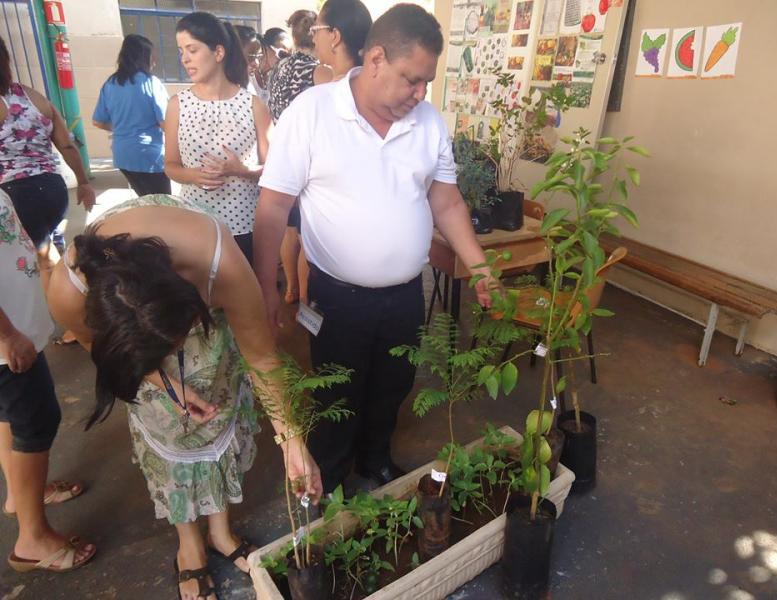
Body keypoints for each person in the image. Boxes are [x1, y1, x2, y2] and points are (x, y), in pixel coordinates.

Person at [253, 4, 493, 494]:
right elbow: (274, 207)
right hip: (336, 296)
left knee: (393, 384)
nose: (420, 94)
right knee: (335, 390)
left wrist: (481, 268)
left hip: (405, 293)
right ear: (377, 58)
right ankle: (329, 477)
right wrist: (265, 288)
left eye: (426, 82)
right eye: (412, 80)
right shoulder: (312, 113)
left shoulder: (428, 122)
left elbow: (447, 202)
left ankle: (376, 460)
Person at [46, 194, 322, 600]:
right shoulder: (69, 289)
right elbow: (97, 346)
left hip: (194, 301)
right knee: (165, 427)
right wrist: (161, 381)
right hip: (142, 355)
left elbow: (261, 358)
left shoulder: (220, 263)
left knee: (219, 402)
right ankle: (189, 544)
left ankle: (220, 533)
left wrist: (292, 442)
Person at [0, 189, 96, 573]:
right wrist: (8, 335)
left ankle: (20, 494)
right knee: (35, 421)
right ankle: (32, 539)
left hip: (15, 326)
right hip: (7, 340)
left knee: (10, 415)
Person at [164, 12, 269, 266]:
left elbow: (274, 171)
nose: (185, 59)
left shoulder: (253, 105)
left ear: (218, 52)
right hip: (196, 225)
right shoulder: (178, 105)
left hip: (244, 225)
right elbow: (171, 165)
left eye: (192, 50)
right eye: (181, 51)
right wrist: (192, 175)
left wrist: (241, 170)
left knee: (243, 289)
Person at [0, 36, 95, 287]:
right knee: (47, 245)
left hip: (16, 194)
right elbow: (66, 145)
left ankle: (64, 303)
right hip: (54, 189)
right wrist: (84, 183)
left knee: (44, 258)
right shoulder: (31, 96)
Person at [268, 9, 333, 305]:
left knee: (289, 229)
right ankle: (306, 298)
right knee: (308, 235)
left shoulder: (278, 68)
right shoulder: (318, 71)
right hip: (309, 159)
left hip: (281, 156)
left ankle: (291, 289)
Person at [92, 34, 171, 197]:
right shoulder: (151, 82)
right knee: (164, 203)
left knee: (145, 200)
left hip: (122, 155)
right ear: (144, 57)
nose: (154, 62)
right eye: (152, 57)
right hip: (149, 154)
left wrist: (124, 126)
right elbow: (165, 123)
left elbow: (98, 121)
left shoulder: (110, 83)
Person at [312, 0, 372, 81]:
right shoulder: (372, 83)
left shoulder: (332, 88)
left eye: (315, 30)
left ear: (335, 36)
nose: (313, 39)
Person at [256, 27, 291, 108]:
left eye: (290, 56)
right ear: (267, 49)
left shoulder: (281, 78)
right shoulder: (249, 75)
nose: (287, 60)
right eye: (282, 53)